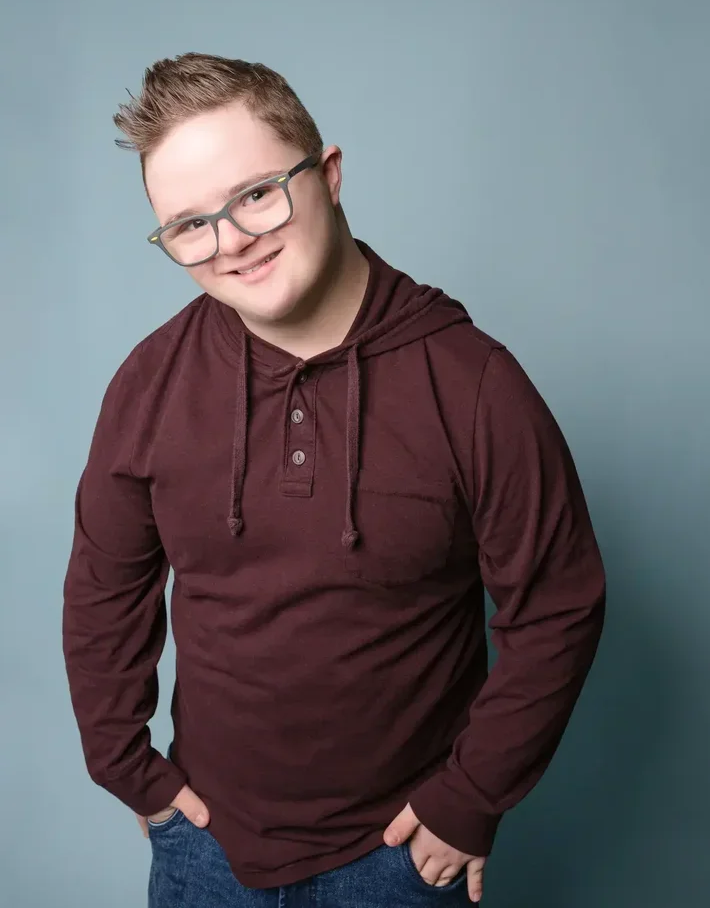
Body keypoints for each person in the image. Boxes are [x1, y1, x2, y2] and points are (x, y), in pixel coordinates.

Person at [62, 53, 606, 908]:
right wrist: (128, 768)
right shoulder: (149, 383)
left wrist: (470, 802)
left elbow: (560, 604)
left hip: (398, 856)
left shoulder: (473, 382)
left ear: (330, 174)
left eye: (255, 194)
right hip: (205, 850)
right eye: (189, 224)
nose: (231, 241)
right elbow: (103, 589)